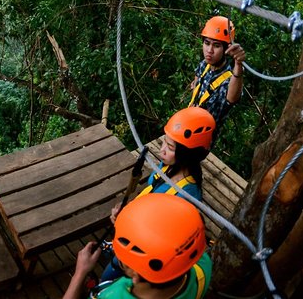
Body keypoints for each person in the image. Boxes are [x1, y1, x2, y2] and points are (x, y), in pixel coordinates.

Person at [101, 106, 215, 282]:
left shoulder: (186, 198)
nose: (161, 150)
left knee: (109, 276)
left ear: (187, 154)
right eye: (164, 142)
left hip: (145, 249)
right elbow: (151, 193)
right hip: (138, 227)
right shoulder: (168, 166)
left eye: (169, 147)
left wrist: (127, 224)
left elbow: (163, 239)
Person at [64, 194, 211, 299]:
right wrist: (130, 224)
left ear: (134, 273)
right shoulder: (203, 266)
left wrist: (80, 273)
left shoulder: (114, 295)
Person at [189, 16, 245, 133]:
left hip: (201, 138)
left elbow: (232, 98)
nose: (209, 50)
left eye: (216, 45)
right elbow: (196, 81)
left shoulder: (229, 79)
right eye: (207, 43)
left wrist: (238, 64)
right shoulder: (204, 65)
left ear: (226, 49)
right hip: (188, 123)